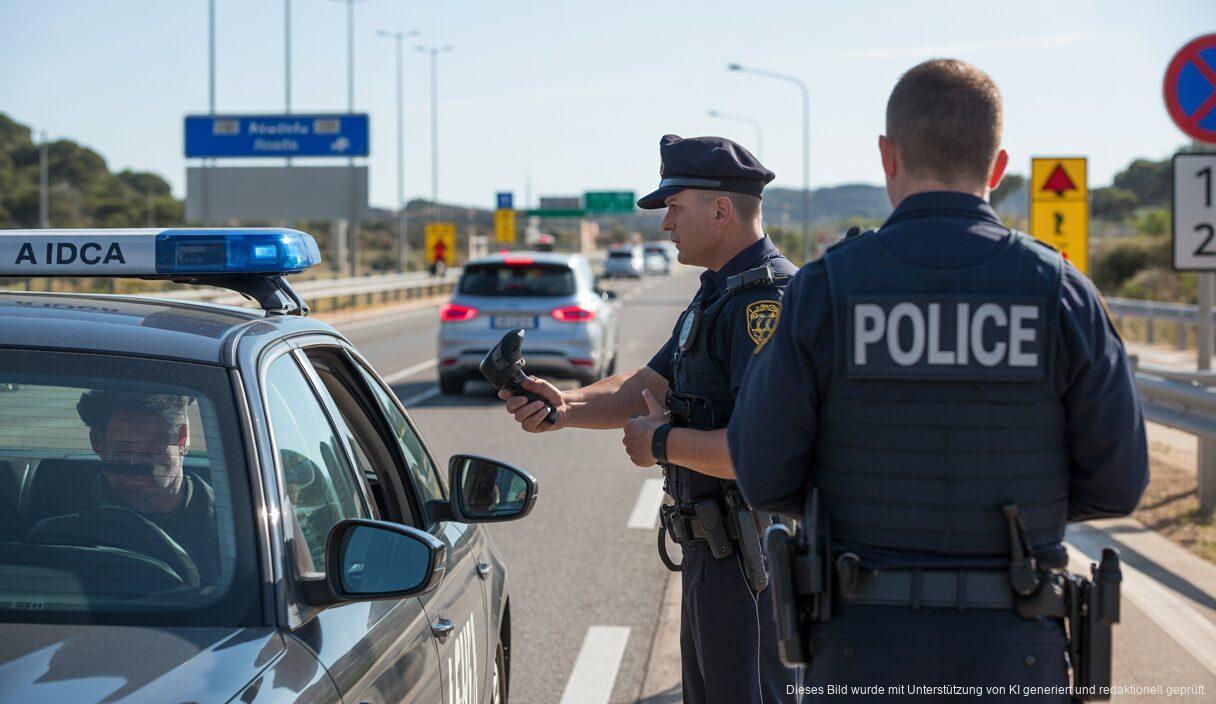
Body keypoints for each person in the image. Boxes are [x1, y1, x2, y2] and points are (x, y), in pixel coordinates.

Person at [728, 59, 1148, 702]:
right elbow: (1119, 483)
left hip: (861, 651)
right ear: (998, 167)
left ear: (887, 156)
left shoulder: (825, 289)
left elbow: (762, 476)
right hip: (1018, 653)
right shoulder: (1061, 292)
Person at [499, 134, 801, 703]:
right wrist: (564, 407)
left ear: (720, 209)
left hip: (752, 563)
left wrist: (662, 442)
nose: (666, 224)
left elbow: (759, 453)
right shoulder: (719, 293)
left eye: (674, 207)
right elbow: (645, 385)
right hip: (716, 555)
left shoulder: (763, 304)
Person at [32, 391, 220, 585]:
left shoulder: (231, 524)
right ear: (98, 443)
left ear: (182, 438)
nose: (138, 461)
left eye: (154, 445)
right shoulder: (59, 525)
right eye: (123, 447)